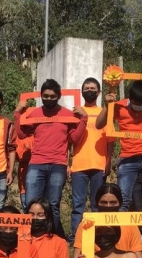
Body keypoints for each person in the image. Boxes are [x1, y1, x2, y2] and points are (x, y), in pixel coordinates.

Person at [15, 79, 88, 237]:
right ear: (41, 96)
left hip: (58, 165)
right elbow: (21, 134)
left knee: (53, 204)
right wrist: (17, 113)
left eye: (52, 96)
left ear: (59, 96)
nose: (48, 99)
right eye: (45, 96)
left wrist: (84, 119)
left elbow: (74, 139)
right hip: (36, 164)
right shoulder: (34, 113)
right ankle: (28, 237)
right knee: (31, 203)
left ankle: (56, 237)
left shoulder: (68, 114)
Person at [96, 80, 142, 213]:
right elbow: (99, 124)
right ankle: (122, 232)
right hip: (128, 158)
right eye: (136, 103)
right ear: (130, 98)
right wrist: (107, 106)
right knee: (123, 199)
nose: (139, 106)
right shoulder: (119, 106)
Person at [72, 184, 142, 258]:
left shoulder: (130, 225)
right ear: (97, 203)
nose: (108, 206)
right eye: (104, 202)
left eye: (113, 202)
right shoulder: (86, 225)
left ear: (120, 203)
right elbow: (77, 257)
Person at [69, 77, 113, 244]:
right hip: (78, 165)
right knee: (78, 205)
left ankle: (96, 236)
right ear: (82, 91)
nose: (89, 90)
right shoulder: (76, 113)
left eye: (93, 88)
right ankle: (76, 237)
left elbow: (110, 141)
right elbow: (68, 140)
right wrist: (67, 163)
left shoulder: (105, 112)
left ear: (99, 92)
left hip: (99, 164)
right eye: (86, 87)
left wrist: (108, 162)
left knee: (97, 204)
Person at [15, 135, 33, 211]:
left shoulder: (39, 134)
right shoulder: (19, 137)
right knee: (26, 211)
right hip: (24, 186)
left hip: (41, 185)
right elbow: (20, 156)